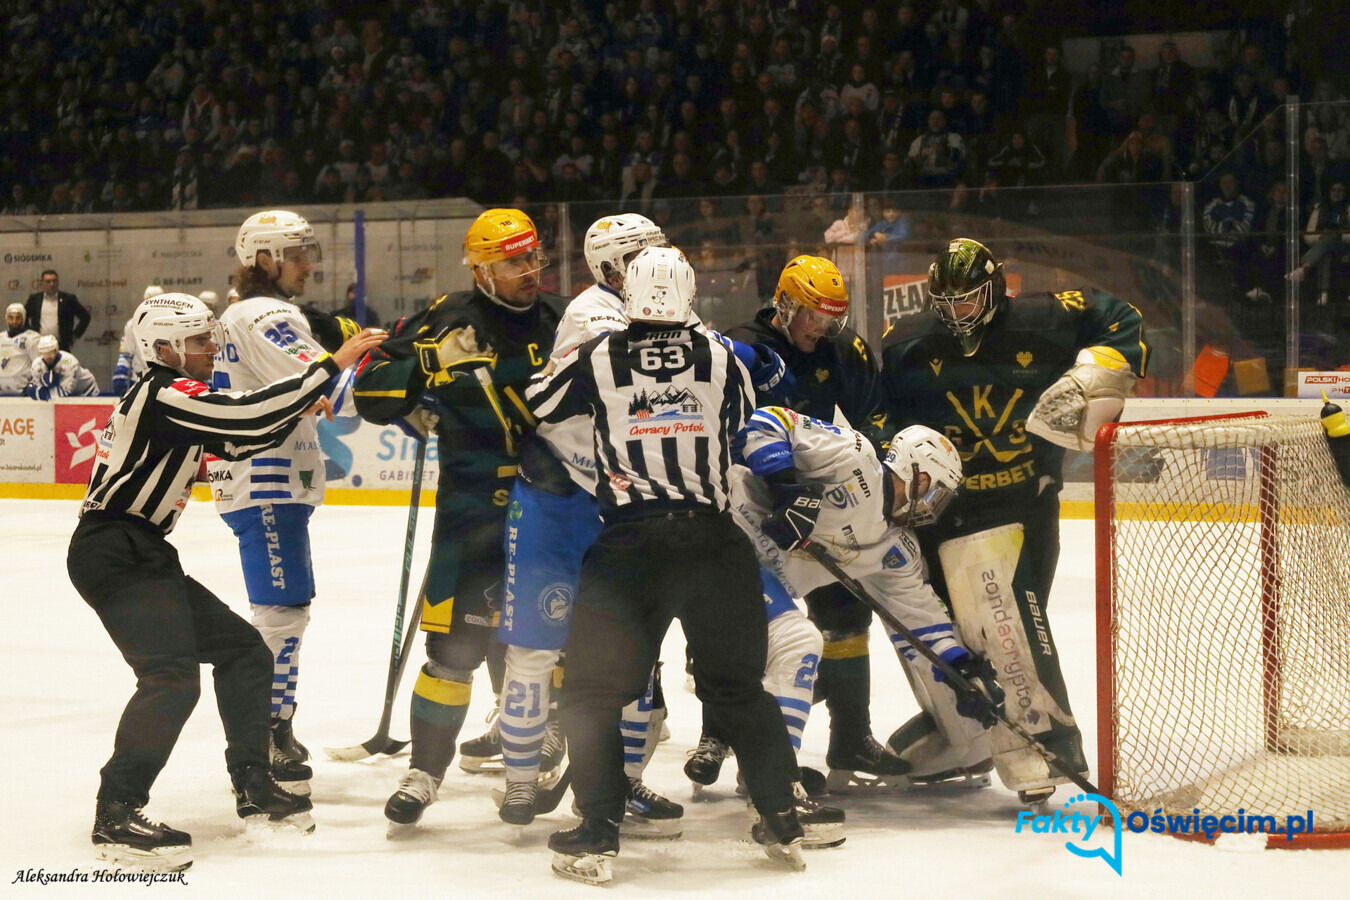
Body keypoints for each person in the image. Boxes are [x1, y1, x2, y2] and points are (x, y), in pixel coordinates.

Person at [495, 213, 793, 832]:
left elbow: (540, 401)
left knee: (592, 694)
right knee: (737, 689)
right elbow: (740, 413)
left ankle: (598, 825)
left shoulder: (598, 352)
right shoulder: (719, 355)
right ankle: (783, 814)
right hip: (712, 538)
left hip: (629, 539)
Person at [67, 291, 384, 870]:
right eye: (198, 340)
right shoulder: (166, 392)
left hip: (141, 550)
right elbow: (245, 416)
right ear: (162, 348)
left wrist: (298, 405)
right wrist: (325, 371)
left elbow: (241, 437)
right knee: (171, 677)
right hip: (115, 550)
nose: (211, 347)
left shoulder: (179, 396)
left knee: (244, 653)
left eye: (210, 336)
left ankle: (254, 786)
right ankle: (116, 810)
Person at [879, 238, 1148, 807]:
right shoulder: (905, 345)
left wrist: (1096, 367)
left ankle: (1049, 739)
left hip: (1026, 504)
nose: (958, 313)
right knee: (945, 632)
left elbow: (1122, 317)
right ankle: (967, 733)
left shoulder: (1047, 316)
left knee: (1008, 618)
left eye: (970, 299)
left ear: (997, 288)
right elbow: (882, 421)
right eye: (946, 302)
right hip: (946, 514)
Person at [353, 208, 562, 834]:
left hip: (550, 508)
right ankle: (425, 772)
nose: (529, 271)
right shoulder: (449, 316)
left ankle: (541, 737)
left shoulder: (565, 319)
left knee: (548, 640)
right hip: (471, 513)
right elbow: (370, 394)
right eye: (512, 263)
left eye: (533, 258)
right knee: (451, 649)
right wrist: (422, 373)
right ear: (480, 269)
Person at [730, 408, 1005, 794]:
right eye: (934, 492)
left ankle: (767, 774)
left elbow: (922, 621)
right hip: (723, 531)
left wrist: (962, 673)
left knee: (787, 650)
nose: (931, 507)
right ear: (915, 473)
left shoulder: (896, 549)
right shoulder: (852, 456)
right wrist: (786, 487)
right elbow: (769, 421)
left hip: (751, 585)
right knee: (797, 645)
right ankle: (771, 780)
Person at [721, 256, 904, 789]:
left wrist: (876, 472)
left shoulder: (844, 350)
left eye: (830, 319)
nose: (820, 329)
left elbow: (876, 417)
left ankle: (852, 737)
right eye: (811, 316)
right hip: (752, 504)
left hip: (820, 503)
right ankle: (744, 749)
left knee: (846, 613)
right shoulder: (738, 346)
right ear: (784, 304)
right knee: (759, 630)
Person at [208, 210, 360, 793]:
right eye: (298, 254)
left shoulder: (238, 313)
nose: (309, 265)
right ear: (264, 260)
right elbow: (332, 393)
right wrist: (392, 370)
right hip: (266, 476)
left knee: (286, 610)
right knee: (280, 614)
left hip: (261, 477)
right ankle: (266, 732)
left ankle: (274, 726)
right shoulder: (267, 313)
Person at [113, 285, 166, 397]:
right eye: (147, 302)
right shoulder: (132, 325)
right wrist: (120, 373)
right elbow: (126, 354)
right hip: (138, 380)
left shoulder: (170, 325)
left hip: (164, 381)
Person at [25, 268, 91, 351]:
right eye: (48, 281)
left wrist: (75, 335)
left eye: (54, 281)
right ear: (42, 283)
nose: (52, 284)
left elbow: (85, 317)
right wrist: (30, 334)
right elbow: (23, 317)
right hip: (39, 345)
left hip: (61, 345)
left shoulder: (68, 299)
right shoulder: (35, 299)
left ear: (58, 282)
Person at [29, 333, 100, 398]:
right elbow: (34, 387)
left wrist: (42, 393)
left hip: (86, 391)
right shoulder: (36, 365)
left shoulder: (70, 363)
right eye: (45, 353)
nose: (48, 356)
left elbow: (66, 392)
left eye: (51, 352)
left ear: (56, 350)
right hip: (65, 395)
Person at [1, 303, 41, 396]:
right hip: (1, 392)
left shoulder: (32, 338)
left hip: (23, 392)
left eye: (17, 318)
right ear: (6, 319)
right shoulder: (1, 337)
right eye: (11, 318)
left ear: (23, 319)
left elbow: (40, 366)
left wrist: (32, 386)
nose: (14, 321)